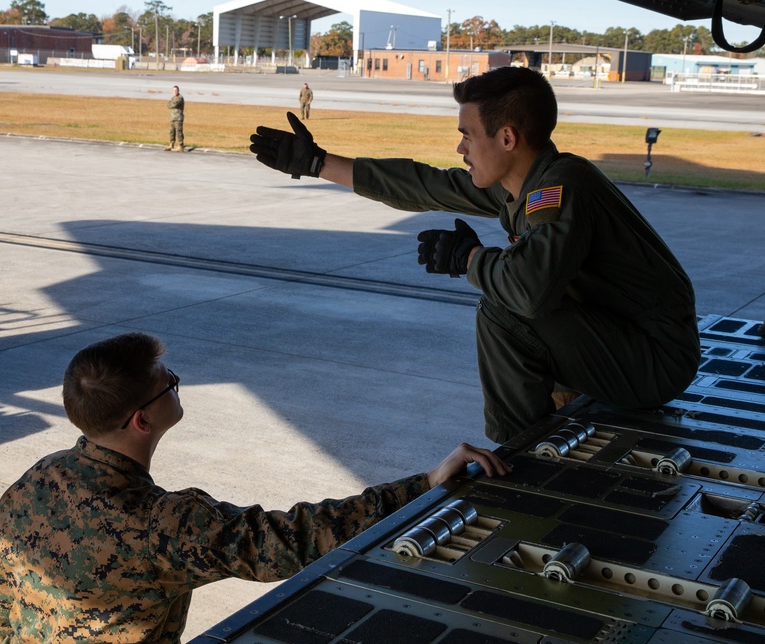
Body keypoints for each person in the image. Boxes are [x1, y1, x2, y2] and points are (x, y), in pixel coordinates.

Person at [0, 332, 510, 644]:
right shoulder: (161, 525)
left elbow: (4, 604)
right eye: (168, 383)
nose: (175, 385)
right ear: (142, 420)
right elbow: (293, 540)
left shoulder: (35, 481)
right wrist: (423, 485)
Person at [249, 66, 700, 444]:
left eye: (467, 135)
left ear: (507, 137)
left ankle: (521, 455)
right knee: (509, 298)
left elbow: (527, 292)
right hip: (626, 343)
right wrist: (317, 163)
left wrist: (470, 258)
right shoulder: (524, 183)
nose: (460, 148)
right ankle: (547, 420)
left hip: (653, 361)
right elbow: (425, 184)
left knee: (503, 308)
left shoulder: (560, 188)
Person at [166, 85, 184, 152]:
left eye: (176, 90)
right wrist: (171, 103)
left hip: (178, 118)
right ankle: (171, 144)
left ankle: (180, 146)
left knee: (179, 132)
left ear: (178, 90)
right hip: (172, 117)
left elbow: (173, 105)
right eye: (174, 90)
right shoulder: (173, 97)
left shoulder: (180, 98)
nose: (175, 91)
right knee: (171, 131)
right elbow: (168, 105)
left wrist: (171, 103)